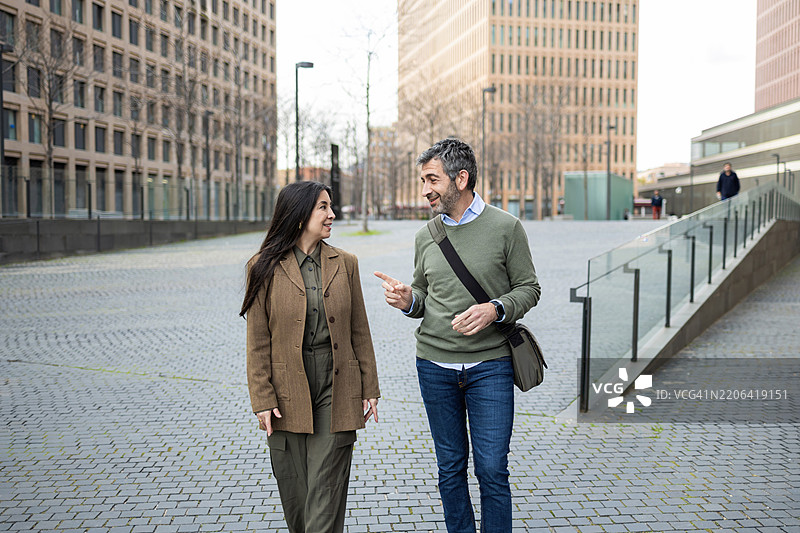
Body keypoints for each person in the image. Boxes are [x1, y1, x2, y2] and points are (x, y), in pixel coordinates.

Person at [374, 138, 541, 532]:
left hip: (491, 366)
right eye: (422, 180)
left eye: (432, 179)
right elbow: (422, 297)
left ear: (460, 178)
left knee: (492, 469)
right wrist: (406, 300)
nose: (425, 189)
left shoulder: (506, 227)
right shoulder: (425, 236)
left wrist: (494, 309)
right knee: (450, 469)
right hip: (434, 367)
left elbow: (529, 289)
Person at [241, 180, 380, 533]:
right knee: (297, 499)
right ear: (300, 213)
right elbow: (258, 342)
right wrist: (262, 399)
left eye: (330, 206)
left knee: (325, 494)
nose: (332, 214)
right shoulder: (263, 267)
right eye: (323, 207)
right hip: (286, 392)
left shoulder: (346, 263)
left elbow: (359, 329)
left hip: (337, 387)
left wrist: (369, 387)